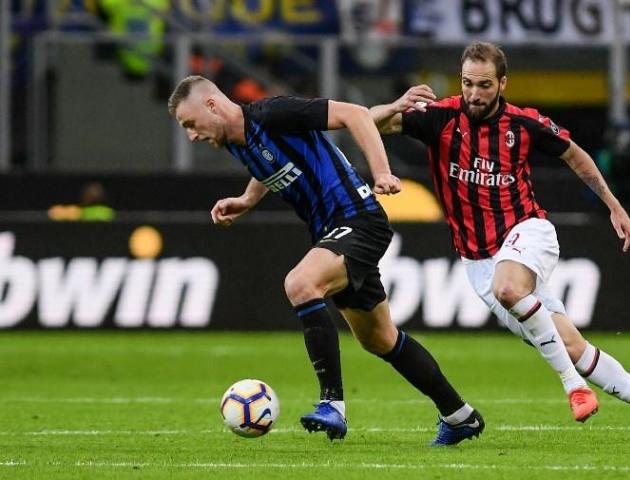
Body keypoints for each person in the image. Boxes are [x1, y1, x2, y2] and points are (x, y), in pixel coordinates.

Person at [369, 42, 630, 442]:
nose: (474, 93)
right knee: (572, 345)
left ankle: (573, 387)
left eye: (484, 85)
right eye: (468, 83)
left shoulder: (524, 124)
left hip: (528, 231)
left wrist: (613, 204)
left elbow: (576, 155)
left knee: (509, 288)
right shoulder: (439, 119)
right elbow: (364, 123)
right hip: (478, 262)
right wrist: (396, 105)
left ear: (502, 83)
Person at [167, 75, 484, 446]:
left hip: (358, 219)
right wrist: (246, 200)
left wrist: (382, 171)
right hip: (333, 231)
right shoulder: (236, 140)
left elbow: (353, 115)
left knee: (300, 283)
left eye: (190, 124)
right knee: (379, 339)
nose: (191, 135)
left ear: (211, 105)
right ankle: (459, 415)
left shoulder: (273, 113)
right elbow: (269, 165)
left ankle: (331, 403)